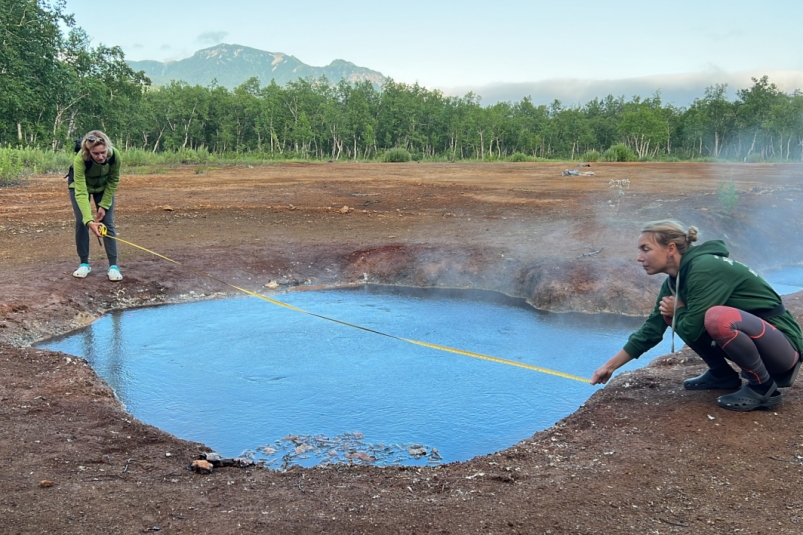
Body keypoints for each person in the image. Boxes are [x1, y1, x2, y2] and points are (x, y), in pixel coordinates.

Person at [591, 220, 803, 412]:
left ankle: (764, 389)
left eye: (645, 249)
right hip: (765, 345)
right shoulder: (674, 281)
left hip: (784, 348)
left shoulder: (704, 268)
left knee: (717, 318)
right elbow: (652, 330)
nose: (639, 257)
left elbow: (692, 327)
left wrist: (680, 309)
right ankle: (722, 375)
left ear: (670, 249)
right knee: (669, 313)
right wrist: (608, 367)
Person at [68, 130, 123, 281]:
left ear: (107, 148)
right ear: (88, 151)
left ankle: (113, 266)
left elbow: (113, 181)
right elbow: (81, 192)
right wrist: (89, 220)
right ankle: (84, 263)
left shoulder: (114, 155)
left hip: (103, 187)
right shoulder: (80, 159)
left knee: (108, 222)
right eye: (96, 153)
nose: (100, 157)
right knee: (81, 222)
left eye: (103, 152)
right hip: (80, 187)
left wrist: (104, 205)